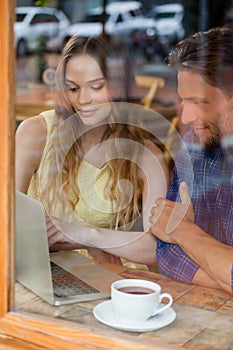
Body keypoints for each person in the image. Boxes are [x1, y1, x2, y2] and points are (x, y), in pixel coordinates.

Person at [16, 35, 169, 269]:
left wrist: (85, 236)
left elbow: (158, 250)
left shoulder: (145, 154)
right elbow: (8, 224)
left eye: (96, 87)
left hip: (110, 279)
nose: (83, 100)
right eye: (73, 88)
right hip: (43, 273)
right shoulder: (37, 134)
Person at [149, 25, 233, 294]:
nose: (185, 117)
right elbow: (166, 253)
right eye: (184, 101)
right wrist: (223, 278)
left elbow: (172, 231)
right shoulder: (195, 143)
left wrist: (183, 232)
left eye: (199, 102)